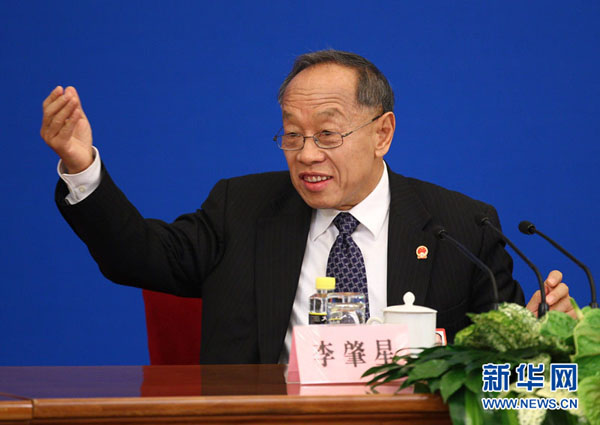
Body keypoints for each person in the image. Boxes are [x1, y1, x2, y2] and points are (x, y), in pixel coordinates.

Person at [41, 50, 575, 364]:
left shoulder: (461, 226)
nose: (307, 155)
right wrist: (81, 164)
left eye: (327, 134)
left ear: (382, 133)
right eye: (292, 135)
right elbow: (136, 256)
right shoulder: (240, 208)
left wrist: (543, 337)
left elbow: (502, 369)